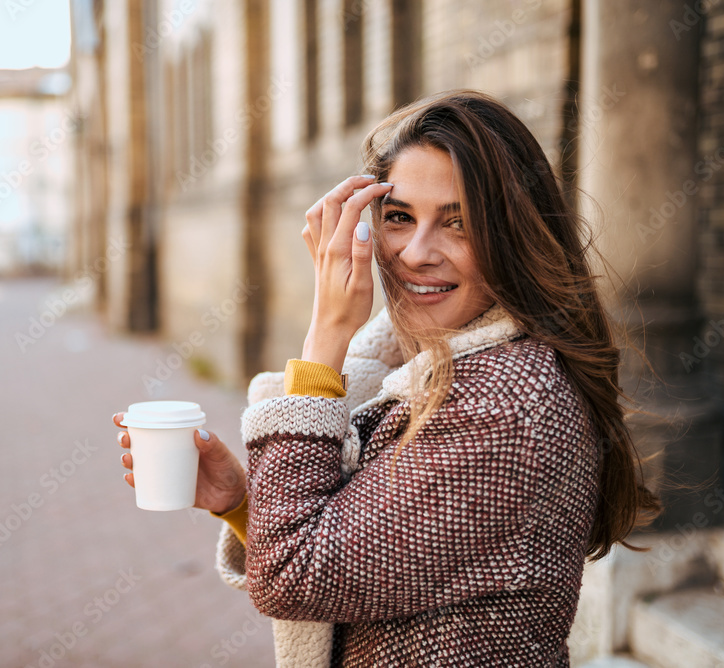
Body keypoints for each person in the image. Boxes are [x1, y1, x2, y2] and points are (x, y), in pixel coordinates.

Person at [114, 89, 660, 666]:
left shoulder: (503, 403)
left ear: (514, 235)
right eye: (399, 218)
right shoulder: (422, 365)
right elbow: (356, 568)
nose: (416, 253)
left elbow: (292, 576)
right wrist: (241, 502)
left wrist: (325, 336)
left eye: (460, 224)